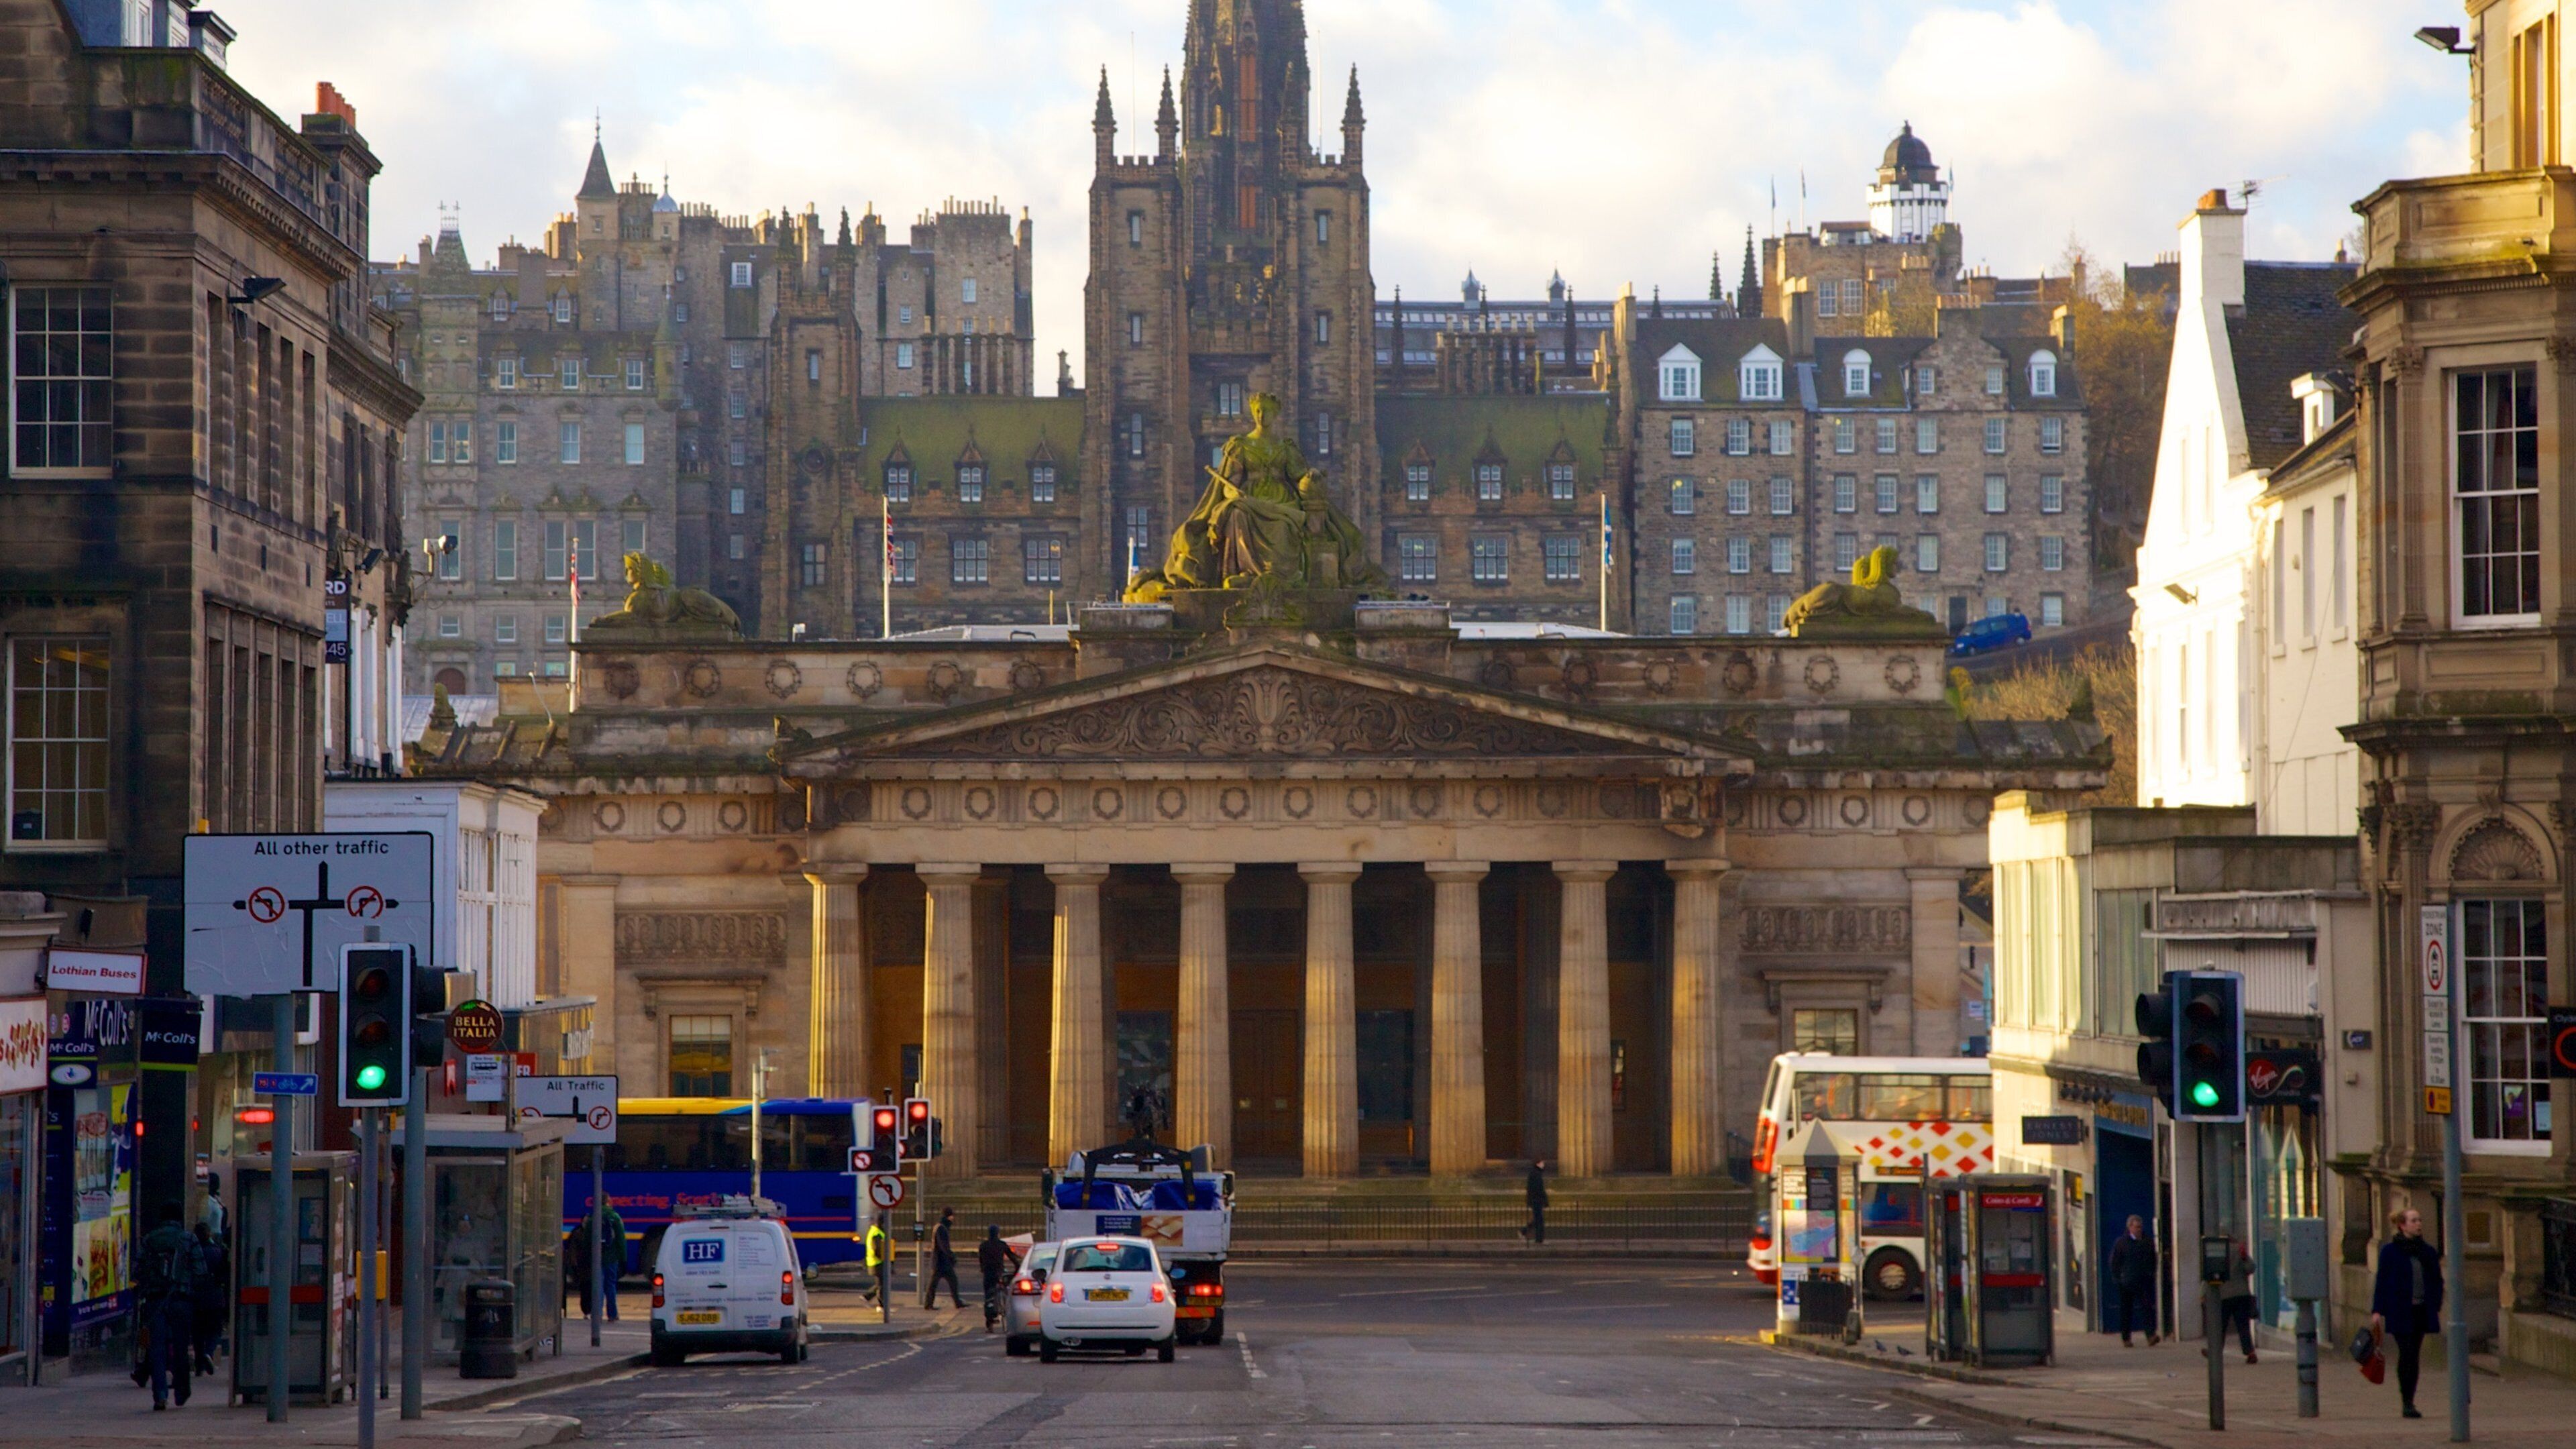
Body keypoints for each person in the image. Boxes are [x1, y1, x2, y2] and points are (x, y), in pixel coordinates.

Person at [2370, 1206, 2444, 1419]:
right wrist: (2377, 1310)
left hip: (2421, 1310)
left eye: (2419, 1220)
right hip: (2400, 1311)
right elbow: (2382, 1282)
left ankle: (2410, 1398)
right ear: (2402, 1225)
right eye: (2413, 1220)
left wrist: (2435, 1303)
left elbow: (2436, 1281)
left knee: (2414, 1354)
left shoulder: (2427, 1252)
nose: (2419, 1224)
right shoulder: (2390, 1252)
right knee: (2407, 1352)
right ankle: (2407, 1401)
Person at [135, 1203, 201, 1410]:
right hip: (181, 1299)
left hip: (156, 1300)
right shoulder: (189, 1238)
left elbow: (139, 1271)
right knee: (180, 1347)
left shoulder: (149, 1240)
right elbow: (200, 1270)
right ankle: (181, 1391)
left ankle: (160, 1394)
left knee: (157, 1348)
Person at [2106, 1214, 2159, 1346]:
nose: (2139, 1230)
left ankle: (2150, 1335)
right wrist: (2118, 1278)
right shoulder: (2122, 1243)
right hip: (2127, 1282)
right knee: (2126, 1311)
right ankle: (2126, 1338)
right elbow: (2115, 1262)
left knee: (2147, 1309)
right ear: (2130, 1227)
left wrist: (2151, 1273)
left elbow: (2153, 1259)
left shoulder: (2147, 1242)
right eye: (2136, 1227)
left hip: (2143, 1281)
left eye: (2140, 1227)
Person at [189, 1220, 229, 1375]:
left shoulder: (193, 1252)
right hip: (215, 1296)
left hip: (197, 1297)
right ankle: (209, 1352)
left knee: (198, 1332)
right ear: (209, 1234)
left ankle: (199, 1365)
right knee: (214, 1329)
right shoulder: (218, 1251)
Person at [584, 1200, 627, 1320]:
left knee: (598, 1286)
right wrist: (623, 1258)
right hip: (612, 1258)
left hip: (597, 1258)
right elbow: (621, 1240)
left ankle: (597, 1314)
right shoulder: (615, 1217)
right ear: (608, 1202)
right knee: (611, 1286)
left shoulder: (592, 1218)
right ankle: (612, 1314)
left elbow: (586, 1241)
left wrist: (588, 1257)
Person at [2216, 1238, 2258, 1363]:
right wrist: (2245, 1257)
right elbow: (2251, 1268)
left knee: (2220, 1326)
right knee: (2243, 1326)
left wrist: (2202, 1294)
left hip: (2224, 1295)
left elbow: (2210, 1274)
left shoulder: (2218, 1252)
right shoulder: (2240, 1251)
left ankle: (2216, 1352)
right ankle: (2250, 1353)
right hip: (2242, 1294)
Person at [976, 1226, 1016, 1333]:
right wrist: (1017, 1268)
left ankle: (989, 1324)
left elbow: (981, 1260)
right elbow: (1013, 1258)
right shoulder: (1002, 1245)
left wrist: (983, 1269)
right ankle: (1006, 1314)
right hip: (999, 1273)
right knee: (1006, 1293)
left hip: (988, 1274)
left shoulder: (983, 1245)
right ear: (998, 1234)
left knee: (988, 1297)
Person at [926, 1207, 965, 1309]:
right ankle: (929, 1304)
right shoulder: (941, 1228)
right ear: (949, 1216)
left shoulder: (941, 1227)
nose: (953, 1218)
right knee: (935, 1284)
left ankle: (957, 1302)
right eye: (952, 1216)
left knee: (951, 1282)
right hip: (940, 1262)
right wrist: (952, 1256)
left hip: (941, 1261)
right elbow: (944, 1246)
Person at [863, 1214, 891, 1304]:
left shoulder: (874, 1231)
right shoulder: (877, 1233)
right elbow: (877, 1249)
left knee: (881, 1283)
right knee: (882, 1285)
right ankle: (881, 1305)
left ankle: (867, 1296)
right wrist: (885, 1259)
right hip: (877, 1262)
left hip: (875, 1262)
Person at [1522, 1159, 1549, 1244]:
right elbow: (1539, 1189)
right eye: (1542, 1163)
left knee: (1538, 1220)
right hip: (1537, 1200)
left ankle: (1525, 1231)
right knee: (1539, 1220)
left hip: (1536, 1200)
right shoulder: (1536, 1175)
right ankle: (1539, 1239)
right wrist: (1543, 1199)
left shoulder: (1535, 1174)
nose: (1544, 1165)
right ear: (1538, 1164)